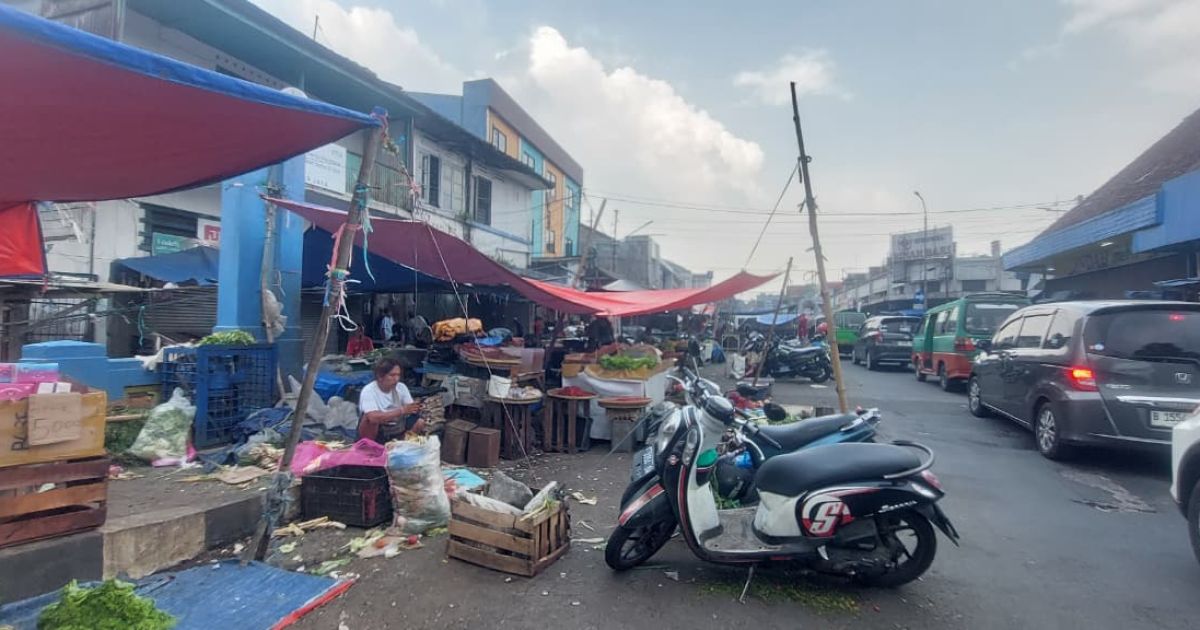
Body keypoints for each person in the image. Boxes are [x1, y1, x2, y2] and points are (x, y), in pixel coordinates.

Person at [358, 358, 422, 442]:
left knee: (420, 422)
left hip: (397, 427)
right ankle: (369, 447)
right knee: (370, 420)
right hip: (378, 430)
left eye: (398, 375)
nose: (396, 379)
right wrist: (401, 411)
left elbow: (411, 408)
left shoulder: (401, 387)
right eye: (392, 375)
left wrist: (416, 407)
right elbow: (372, 417)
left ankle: (402, 445)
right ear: (380, 376)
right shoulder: (369, 391)